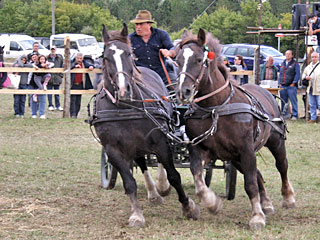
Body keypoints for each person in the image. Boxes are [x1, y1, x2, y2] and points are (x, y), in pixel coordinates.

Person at [129, 10, 176, 85]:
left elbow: (173, 50)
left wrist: (169, 53)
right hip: (140, 77)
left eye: (141, 24)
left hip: (162, 75)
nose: (138, 27)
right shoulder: (129, 39)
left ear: (149, 24)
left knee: (175, 89)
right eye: (136, 24)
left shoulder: (162, 35)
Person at [70, 52, 94, 118]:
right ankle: (72, 114)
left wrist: (91, 66)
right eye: (78, 58)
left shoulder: (84, 63)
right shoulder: (72, 62)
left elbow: (90, 65)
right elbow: (66, 67)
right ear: (75, 58)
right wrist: (74, 66)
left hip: (80, 85)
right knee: (73, 100)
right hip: (73, 84)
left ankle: (76, 114)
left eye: (80, 58)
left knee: (78, 101)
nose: (79, 60)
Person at [278, 50, 300, 120]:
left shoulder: (295, 64)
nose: (287, 55)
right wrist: (279, 83)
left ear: (292, 55)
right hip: (283, 86)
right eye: (286, 54)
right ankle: (285, 115)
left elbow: (298, 74)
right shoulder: (282, 63)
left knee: (293, 101)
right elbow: (280, 74)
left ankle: (295, 115)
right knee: (283, 101)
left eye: (289, 54)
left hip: (291, 86)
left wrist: (294, 82)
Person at [301, 52, 320, 123]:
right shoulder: (308, 67)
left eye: (315, 57)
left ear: (318, 58)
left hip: (318, 88)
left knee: (319, 104)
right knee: (312, 104)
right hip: (310, 88)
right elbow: (303, 75)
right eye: (313, 57)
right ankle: (313, 118)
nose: (314, 58)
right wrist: (306, 77)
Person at [28, 53, 48, 119]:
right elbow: (31, 66)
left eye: (36, 56)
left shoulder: (46, 64)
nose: (35, 58)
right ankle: (34, 113)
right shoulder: (32, 64)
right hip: (33, 84)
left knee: (42, 99)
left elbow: (52, 65)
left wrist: (45, 66)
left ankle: (41, 114)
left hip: (42, 84)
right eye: (34, 57)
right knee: (33, 99)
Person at [47, 46, 64, 111]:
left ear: (56, 50)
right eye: (52, 49)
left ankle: (58, 105)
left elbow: (62, 66)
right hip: (50, 78)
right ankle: (50, 105)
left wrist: (61, 76)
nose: (53, 50)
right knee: (49, 92)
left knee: (57, 93)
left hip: (57, 77)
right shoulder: (47, 58)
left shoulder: (59, 58)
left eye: (54, 49)